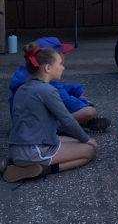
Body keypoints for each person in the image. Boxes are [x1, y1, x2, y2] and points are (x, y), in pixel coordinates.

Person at [1, 43, 98, 183]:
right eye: (60, 64)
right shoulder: (48, 90)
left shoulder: (23, 88)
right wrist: (87, 139)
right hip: (35, 151)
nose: (63, 67)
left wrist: (81, 138)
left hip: (18, 148)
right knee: (89, 150)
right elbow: (67, 120)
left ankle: (13, 163)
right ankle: (42, 169)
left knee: (74, 141)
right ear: (48, 68)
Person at [8, 37, 110, 133]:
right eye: (62, 52)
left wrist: (74, 89)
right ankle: (70, 127)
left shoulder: (31, 72)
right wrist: (83, 101)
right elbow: (68, 102)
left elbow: (58, 91)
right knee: (89, 111)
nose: (64, 55)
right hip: (35, 128)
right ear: (51, 57)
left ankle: (76, 124)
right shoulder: (45, 79)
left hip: (22, 123)